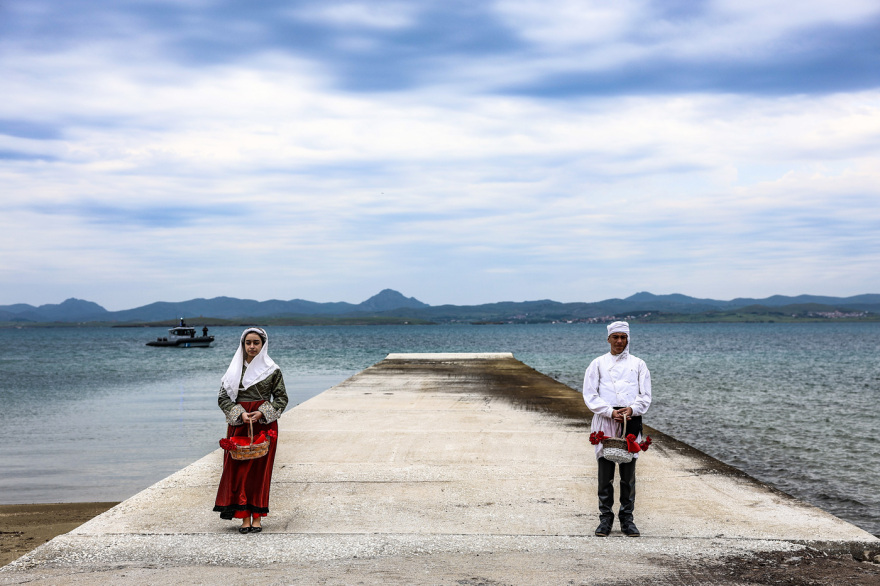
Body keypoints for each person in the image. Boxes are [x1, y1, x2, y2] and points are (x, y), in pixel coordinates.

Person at [214, 327, 288, 533]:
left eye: (256, 343)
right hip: (239, 423)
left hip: (263, 424)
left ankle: (258, 516)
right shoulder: (234, 370)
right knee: (239, 471)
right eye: (248, 343)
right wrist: (240, 414)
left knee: (260, 471)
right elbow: (223, 398)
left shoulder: (273, 370)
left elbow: (281, 398)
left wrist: (262, 413)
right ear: (243, 344)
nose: (252, 346)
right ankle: (243, 516)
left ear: (263, 345)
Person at [583, 321, 652, 537]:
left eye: (623, 337)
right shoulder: (598, 364)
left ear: (628, 339)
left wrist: (632, 408)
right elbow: (590, 394)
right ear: (608, 339)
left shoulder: (639, 364)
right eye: (616, 337)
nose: (620, 341)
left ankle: (627, 519)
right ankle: (605, 518)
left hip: (630, 422)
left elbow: (645, 396)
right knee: (605, 474)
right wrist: (609, 411)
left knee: (627, 475)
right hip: (605, 421)